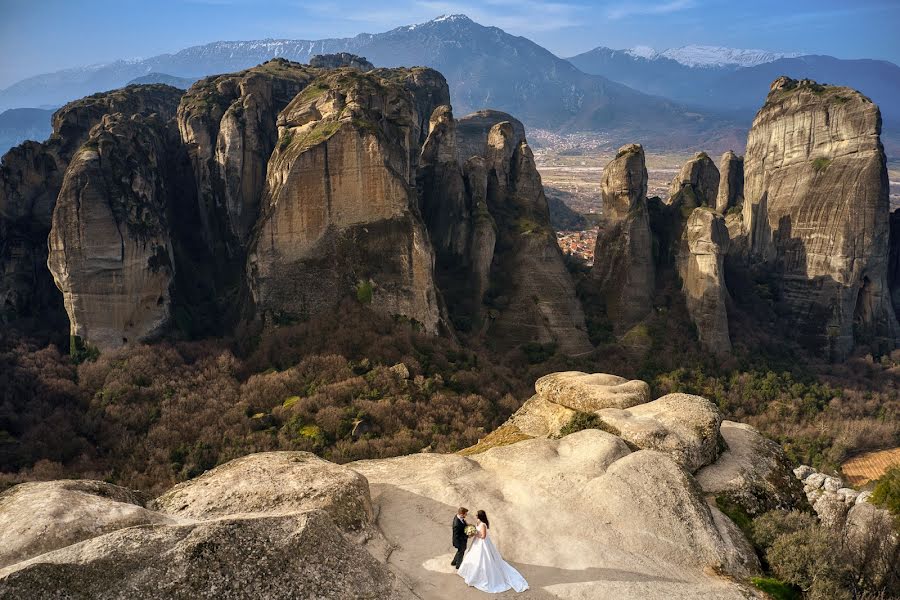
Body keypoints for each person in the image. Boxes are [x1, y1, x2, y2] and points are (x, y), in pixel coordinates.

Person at [458, 510, 529, 593]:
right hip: (476, 542)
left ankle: (479, 577)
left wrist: (474, 533)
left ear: (480, 516)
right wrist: (472, 530)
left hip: (482, 543)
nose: (476, 516)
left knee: (483, 559)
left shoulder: (483, 525)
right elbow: (476, 530)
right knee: (472, 556)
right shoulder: (478, 522)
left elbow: (483, 536)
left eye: (477, 515)